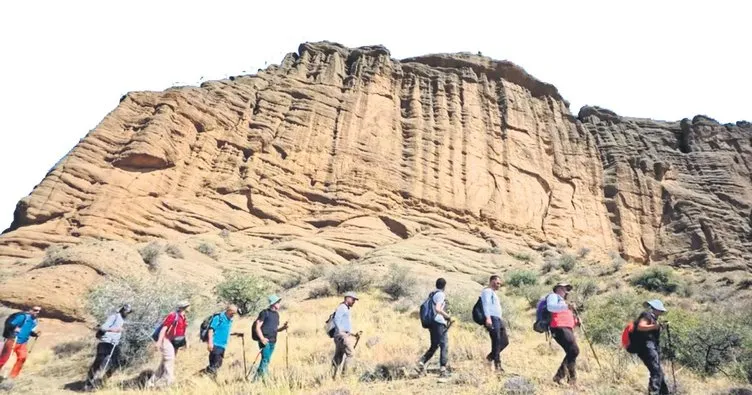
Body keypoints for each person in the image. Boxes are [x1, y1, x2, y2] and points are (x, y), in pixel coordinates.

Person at [84, 304, 131, 390]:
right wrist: (115, 330)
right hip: (106, 342)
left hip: (114, 344)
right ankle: (88, 383)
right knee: (99, 363)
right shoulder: (114, 316)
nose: (127, 313)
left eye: (128, 312)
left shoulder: (122, 320)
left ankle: (101, 382)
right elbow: (103, 327)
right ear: (122, 310)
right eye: (126, 311)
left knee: (116, 364)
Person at [149, 301, 190, 388]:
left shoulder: (184, 317)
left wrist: (186, 342)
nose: (190, 307)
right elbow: (164, 328)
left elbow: (183, 331)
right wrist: (159, 342)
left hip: (175, 342)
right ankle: (168, 383)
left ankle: (151, 383)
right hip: (166, 340)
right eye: (188, 306)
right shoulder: (172, 315)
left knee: (165, 362)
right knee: (169, 360)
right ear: (184, 307)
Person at [416, 278, 452, 377]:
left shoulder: (432, 295)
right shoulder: (440, 294)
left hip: (432, 323)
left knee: (434, 346)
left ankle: (421, 362)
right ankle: (443, 370)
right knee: (444, 345)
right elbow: (438, 309)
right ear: (444, 286)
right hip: (439, 322)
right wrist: (447, 316)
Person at [633, 299, 670, 395]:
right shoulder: (647, 315)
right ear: (655, 309)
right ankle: (654, 393)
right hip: (647, 348)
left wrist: (660, 327)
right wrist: (655, 326)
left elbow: (650, 332)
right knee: (656, 372)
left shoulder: (653, 318)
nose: (661, 313)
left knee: (659, 373)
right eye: (660, 310)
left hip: (650, 348)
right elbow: (640, 327)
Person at [546, 282, 580, 387]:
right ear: (558, 289)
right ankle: (560, 377)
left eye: (567, 289)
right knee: (574, 351)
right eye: (564, 288)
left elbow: (565, 316)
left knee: (572, 353)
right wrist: (567, 306)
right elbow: (551, 307)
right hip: (558, 327)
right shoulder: (553, 297)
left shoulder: (563, 303)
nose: (566, 291)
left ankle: (571, 381)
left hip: (566, 328)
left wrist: (576, 321)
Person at [253, 295, 288, 381]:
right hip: (265, 341)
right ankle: (259, 379)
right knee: (265, 359)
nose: (279, 304)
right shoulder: (264, 313)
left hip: (273, 341)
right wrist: (262, 339)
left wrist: (283, 328)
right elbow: (257, 327)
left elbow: (275, 329)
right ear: (273, 304)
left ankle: (259, 378)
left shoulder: (276, 315)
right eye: (278, 302)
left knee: (267, 360)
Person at [0, 306, 41, 380]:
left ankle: (13, 376)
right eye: (35, 310)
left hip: (23, 342)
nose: (37, 312)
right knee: (4, 359)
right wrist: (14, 329)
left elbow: (28, 330)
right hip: (13, 340)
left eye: (39, 311)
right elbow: (10, 324)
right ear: (30, 310)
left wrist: (34, 334)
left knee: (22, 358)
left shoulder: (34, 321)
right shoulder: (23, 317)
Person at [481, 275, 508, 372]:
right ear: (492, 281)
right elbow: (486, 304)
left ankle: (489, 358)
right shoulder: (487, 291)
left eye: (500, 283)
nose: (499, 285)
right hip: (492, 318)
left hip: (498, 319)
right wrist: (488, 318)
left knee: (504, 341)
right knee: (496, 341)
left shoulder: (493, 293)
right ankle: (498, 367)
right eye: (497, 283)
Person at [204, 304, 238, 378]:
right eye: (233, 312)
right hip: (215, 344)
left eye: (235, 313)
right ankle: (210, 378)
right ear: (228, 310)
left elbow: (224, 330)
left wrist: (235, 334)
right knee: (215, 364)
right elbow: (211, 330)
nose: (234, 315)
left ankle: (207, 375)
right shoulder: (218, 318)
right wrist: (210, 343)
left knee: (218, 364)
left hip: (223, 345)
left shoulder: (229, 319)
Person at [331, 292, 358, 378]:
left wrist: (353, 334)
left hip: (340, 335)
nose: (354, 301)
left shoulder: (344, 308)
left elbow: (343, 325)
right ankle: (344, 376)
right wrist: (341, 333)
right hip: (342, 336)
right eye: (353, 299)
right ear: (347, 298)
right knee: (351, 354)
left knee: (338, 357)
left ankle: (332, 376)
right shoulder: (342, 307)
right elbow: (336, 319)